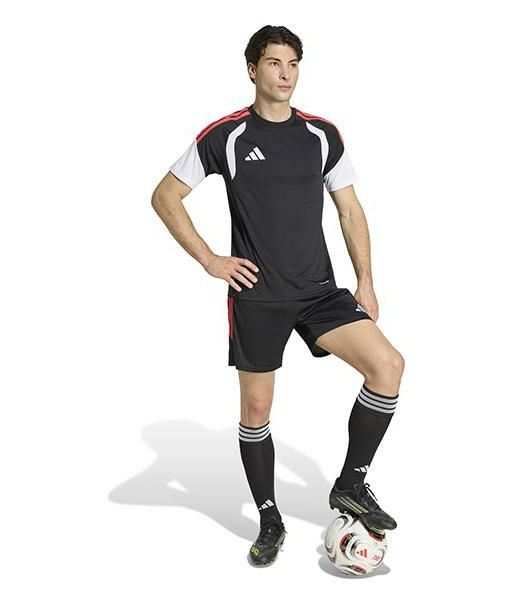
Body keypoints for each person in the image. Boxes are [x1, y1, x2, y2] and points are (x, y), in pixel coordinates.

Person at [151, 25, 405, 568]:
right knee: (257, 408)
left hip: (318, 291)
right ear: (253, 69)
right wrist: (211, 260)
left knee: (387, 366)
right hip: (258, 296)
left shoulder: (322, 135)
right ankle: (269, 518)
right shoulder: (226, 136)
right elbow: (165, 196)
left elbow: (349, 209)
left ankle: (350, 484)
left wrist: (365, 280)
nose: (285, 74)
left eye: (293, 64)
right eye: (274, 63)